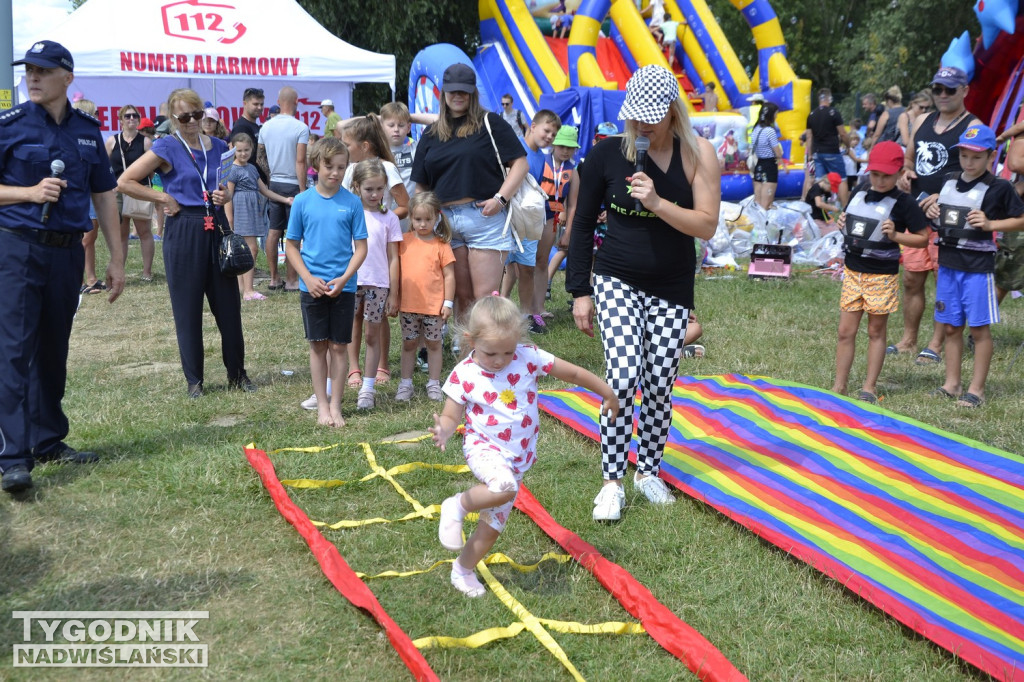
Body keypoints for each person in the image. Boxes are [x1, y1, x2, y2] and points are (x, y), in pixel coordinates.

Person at [566, 65, 720, 522]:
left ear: (674, 110)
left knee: (658, 383)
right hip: (615, 278)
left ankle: (648, 470)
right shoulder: (607, 155)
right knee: (623, 373)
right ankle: (612, 480)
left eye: (652, 116)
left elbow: (707, 225)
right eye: (637, 116)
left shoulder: (699, 154)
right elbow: (580, 223)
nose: (643, 125)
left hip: (672, 285)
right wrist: (579, 290)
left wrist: (657, 202)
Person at [0, 41, 126, 494]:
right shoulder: (8, 125)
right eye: (28, 70)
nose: (32, 78)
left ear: (67, 77)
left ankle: (48, 439)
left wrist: (116, 257)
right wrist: (28, 193)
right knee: (13, 350)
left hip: (67, 251)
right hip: (16, 250)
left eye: (42, 70)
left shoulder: (89, 133)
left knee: (53, 348)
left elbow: (105, 196)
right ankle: (13, 457)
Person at [430, 295, 617, 597]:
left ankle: (462, 570)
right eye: (491, 353)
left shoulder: (528, 356)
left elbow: (573, 373)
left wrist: (606, 391)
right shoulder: (464, 374)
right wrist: (445, 429)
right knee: (504, 486)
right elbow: (452, 414)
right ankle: (457, 505)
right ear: (470, 340)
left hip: (518, 458)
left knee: (492, 527)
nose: (501, 360)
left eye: (508, 350)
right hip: (485, 449)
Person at [119, 88, 255, 399]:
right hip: (183, 227)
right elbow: (125, 181)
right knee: (187, 308)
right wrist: (162, 197)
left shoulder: (220, 145)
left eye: (196, 114)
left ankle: (238, 374)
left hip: (216, 224)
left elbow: (225, 183)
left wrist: (226, 194)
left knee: (229, 307)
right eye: (184, 117)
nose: (192, 121)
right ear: (174, 118)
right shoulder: (167, 146)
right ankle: (195, 381)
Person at [411, 63, 529, 329]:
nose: (458, 96)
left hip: (485, 218)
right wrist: (422, 220)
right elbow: (421, 186)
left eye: (464, 91)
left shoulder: (491, 123)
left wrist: (500, 198)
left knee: (484, 298)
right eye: (453, 91)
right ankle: (466, 361)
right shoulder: (430, 133)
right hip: (444, 221)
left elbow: (520, 163)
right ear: (444, 93)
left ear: (473, 93)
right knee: (459, 297)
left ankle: (490, 357)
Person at [922, 125, 1024, 407]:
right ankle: (952, 384)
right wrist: (930, 208)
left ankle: (976, 390)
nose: (969, 162)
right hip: (948, 266)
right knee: (951, 327)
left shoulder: (999, 187)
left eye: (976, 157)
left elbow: (1020, 219)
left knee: (978, 330)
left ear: (991, 156)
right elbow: (937, 211)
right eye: (965, 156)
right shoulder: (949, 180)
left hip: (978, 269)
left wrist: (992, 224)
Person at [893, 66, 982, 363]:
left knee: (945, 280)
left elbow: (978, 173)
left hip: (950, 217)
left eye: (950, 89)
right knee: (912, 279)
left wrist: (942, 197)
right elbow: (909, 157)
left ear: (964, 91)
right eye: (938, 89)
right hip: (916, 212)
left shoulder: (972, 125)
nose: (942, 95)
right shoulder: (922, 120)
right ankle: (908, 339)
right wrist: (906, 172)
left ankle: (936, 344)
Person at [831, 142, 929, 403]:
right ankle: (839, 386)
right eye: (876, 174)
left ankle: (869, 387)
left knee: (876, 331)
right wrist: (842, 223)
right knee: (845, 331)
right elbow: (852, 224)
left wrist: (896, 235)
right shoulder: (859, 191)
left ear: (899, 173)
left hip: (882, 276)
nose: (880, 180)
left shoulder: (904, 203)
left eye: (887, 175)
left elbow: (923, 238)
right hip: (853, 272)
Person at [285, 137, 368, 427]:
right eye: (329, 166)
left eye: (341, 167)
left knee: (339, 347)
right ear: (316, 165)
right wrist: (307, 277)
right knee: (318, 346)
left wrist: (345, 277)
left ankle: (336, 406)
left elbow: (361, 248)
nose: (334, 173)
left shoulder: (353, 203)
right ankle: (321, 406)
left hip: (343, 288)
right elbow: (291, 245)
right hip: (312, 288)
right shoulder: (303, 202)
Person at [341, 115, 410, 388]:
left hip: (380, 259)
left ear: (365, 145)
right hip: (354, 266)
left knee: (378, 317)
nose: (345, 148)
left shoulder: (387, 169)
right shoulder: (350, 170)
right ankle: (353, 368)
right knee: (354, 317)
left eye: (348, 144)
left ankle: (381, 365)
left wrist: (383, 218)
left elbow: (404, 205)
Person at [347, 159, 402, 410]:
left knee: (372, 333)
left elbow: (393, 258)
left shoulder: (389, 218)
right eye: (369, 189)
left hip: (379, 285)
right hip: (351, 281)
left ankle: (368, 388)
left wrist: (394, 292)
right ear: (357, 186)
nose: (374, 194)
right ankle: (352, 369)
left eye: (380, 189)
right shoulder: (349, 213)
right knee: (349, 328)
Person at [501, 109, 560, 333]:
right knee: (504, 267)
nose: (549, 137)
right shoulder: (515, 146)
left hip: (528, 220)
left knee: (526, 268)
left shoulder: (544, 159)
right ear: (533, 126)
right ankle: (500, 307)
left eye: (553, 135)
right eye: (547, 130)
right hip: (507, 218)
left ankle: (527, 315)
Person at [395, 192, 456, 402]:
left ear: (437, 217)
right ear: (411, 217)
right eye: (418, 219)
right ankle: (405, 383)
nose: (422, 224)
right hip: (408, 306)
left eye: (427, 219)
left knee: (434, 344)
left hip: (434, 307)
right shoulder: (403, 242)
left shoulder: (441, 245)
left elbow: (449, 275)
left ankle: (434, 383)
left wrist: (448, 302)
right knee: (409, 344)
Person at [223, 132, 295, 302]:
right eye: (239, 150)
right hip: (241, 210)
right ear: (232, 149)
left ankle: (242, 288)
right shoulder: (232, 170)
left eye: (246, 150)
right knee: (250, 249)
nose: (243, 154)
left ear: (252, 149)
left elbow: (265, 190)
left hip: (252, 210)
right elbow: (228, 197)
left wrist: (285, 199)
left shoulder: (252, 168)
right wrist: (230, 220)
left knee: (245, 250)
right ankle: (248, 290)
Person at [258, 86, 309, 291]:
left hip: (275, 183)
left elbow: (260, 159)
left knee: (273, 231)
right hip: (293, 183)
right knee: (293, 233)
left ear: (278, 102)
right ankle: (291, 279)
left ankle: (273, 278)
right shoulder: (300, 127)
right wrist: (303, 190)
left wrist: (270, 182)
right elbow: (300, 161)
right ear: (295, 101)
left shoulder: (265, 127)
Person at [105, 103, 155, 281]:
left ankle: (147, 272)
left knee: (144, 232)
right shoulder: (112, 141)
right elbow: (105, 167)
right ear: (120, 121)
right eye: (127, 116)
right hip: (117, 191)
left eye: (134, 116)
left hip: (138, 189)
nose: (131, 119)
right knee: (121, 234)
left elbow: (151, 170)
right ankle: (120, 271)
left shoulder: (146, 142)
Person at [73, 98, 107, 295]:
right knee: (84, 239)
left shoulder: (93, 136)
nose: (97, 117)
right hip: (79, 194)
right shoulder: (72, 137)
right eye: (95, 112)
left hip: (93, 192)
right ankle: (78, 281)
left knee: (90, 237)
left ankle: (91, 278)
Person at [542, 125, 579, 295]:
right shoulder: (540, 161)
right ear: (554, 144)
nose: (566, 151)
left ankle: (540, 300)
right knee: (519, 265)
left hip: (553, 220)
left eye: (570, 147)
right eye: (562, 146)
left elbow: (573, 204)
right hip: (533, 217)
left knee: (542, 261)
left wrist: (568, 232)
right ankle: (504, 299)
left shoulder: (573, 170)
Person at [805, 88, 851, 208]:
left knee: (820, 181)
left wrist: (810, 154)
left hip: (817, 153)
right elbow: (843, 134)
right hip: (832, 152)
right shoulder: (833, 112)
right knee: (841, 179)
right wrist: (848, 146)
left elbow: (809, 137)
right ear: (829, 98)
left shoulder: (811, 115)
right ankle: (845, 209)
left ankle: (820, 208)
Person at [750, 101, 786, 210]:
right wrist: (783, 162)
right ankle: (763, 226)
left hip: (759, 165)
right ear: (771, 114)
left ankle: (757, 224)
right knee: (766, 204)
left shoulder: (755, 129)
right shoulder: (770, 131)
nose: (776, 116)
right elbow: (777, 152)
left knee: (758, 203)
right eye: (776, 114)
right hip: (769, 166)